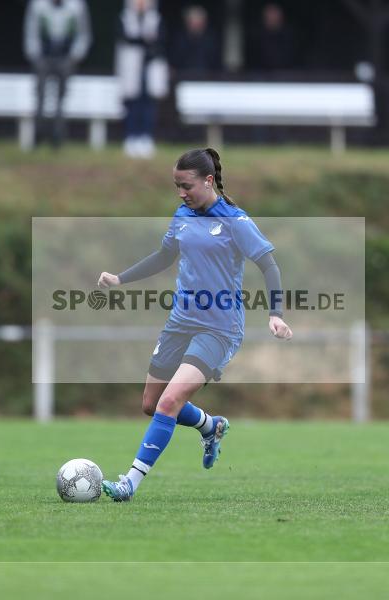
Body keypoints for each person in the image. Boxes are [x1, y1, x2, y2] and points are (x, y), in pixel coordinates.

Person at [96, 148, 292, 502]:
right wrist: (120, 279)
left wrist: (275, 313)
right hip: (180, 322)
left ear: (208, 180)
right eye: (176, 185)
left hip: (218, 329)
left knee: (169, 401)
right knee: (151, 404)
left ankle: (129, 483)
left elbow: (269, 265)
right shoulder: (183, 216)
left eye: (186, 185)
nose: (181, 193)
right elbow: (164, 257)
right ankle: (210, 425)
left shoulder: (235, 221)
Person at [23, 0, 92, 149]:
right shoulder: (38, 5)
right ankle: (38, 135)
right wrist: (36, 57)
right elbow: (31, 32)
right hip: (43, 56)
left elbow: (83, 34)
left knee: (61, 99)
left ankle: (57, 137)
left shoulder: (76, 6)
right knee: (40, 97)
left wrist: (74, 56)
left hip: (65, 57)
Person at [115, 0, 168, 159]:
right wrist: (144, 40)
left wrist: (141, 41)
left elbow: (160, 41)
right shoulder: (124, 18)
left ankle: (146, 137)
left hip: (150, 68)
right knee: (132, 104)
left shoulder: (156, 19)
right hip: (131, 68)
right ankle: (131, 137)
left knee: (148, 104)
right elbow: (124, 39)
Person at [169, 5, 222, 77]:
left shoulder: (211, 40)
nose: (195, 25)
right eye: (193, 22)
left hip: (207, 78)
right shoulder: (180, 39)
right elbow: (175, 61)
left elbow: (215, 63)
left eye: (198, 22)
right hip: (183, 77)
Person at [245, 3, 297, 72]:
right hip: (260, 77)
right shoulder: (256, 37)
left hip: (286, 76)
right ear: (264, 16)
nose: (272, 17)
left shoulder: (289, 37)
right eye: (270, 13)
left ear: (281, 15)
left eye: (274, 13)